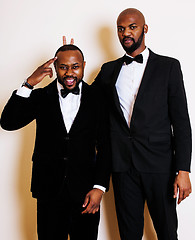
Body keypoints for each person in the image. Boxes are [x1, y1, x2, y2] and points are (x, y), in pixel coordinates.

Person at [94, 8, 192, 240]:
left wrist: (184, 170)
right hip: (122, 166)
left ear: (144, 28)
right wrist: (71, 62)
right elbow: (87, 99)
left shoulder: (169, 67)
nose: (126, 33)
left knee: (167, 232)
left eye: (132, 27)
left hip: (160, 165)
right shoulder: (108, 70)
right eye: (121, 28)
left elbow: (181, 122)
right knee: (129, 234)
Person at [0, 44, 110, 240]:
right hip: (49, 191)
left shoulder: (98, 98)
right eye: (63, 67)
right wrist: (29, 83)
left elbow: (106, 146)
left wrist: (99, 187)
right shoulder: (42, 96)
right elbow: (8, 122)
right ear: (55, 67)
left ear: (84, 65)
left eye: (75, 66)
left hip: (85, 192)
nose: (70, 73)